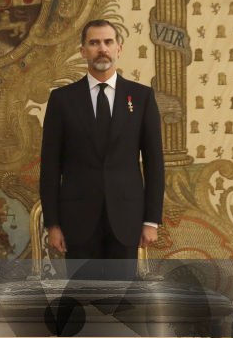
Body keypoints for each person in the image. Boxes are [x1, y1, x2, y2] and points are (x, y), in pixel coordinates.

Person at [40, 19, 165, 265]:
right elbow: (50, 168)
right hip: (77, 221)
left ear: (119, 48)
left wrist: (151, 221)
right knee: (82, 299)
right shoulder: (62, 100)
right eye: (94, 43)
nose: (102, 48)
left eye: (108, 42)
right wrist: (53, 224)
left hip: (126, 220)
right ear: (83, 51)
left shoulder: (141, 98)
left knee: (121, 301)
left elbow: (154, 164)